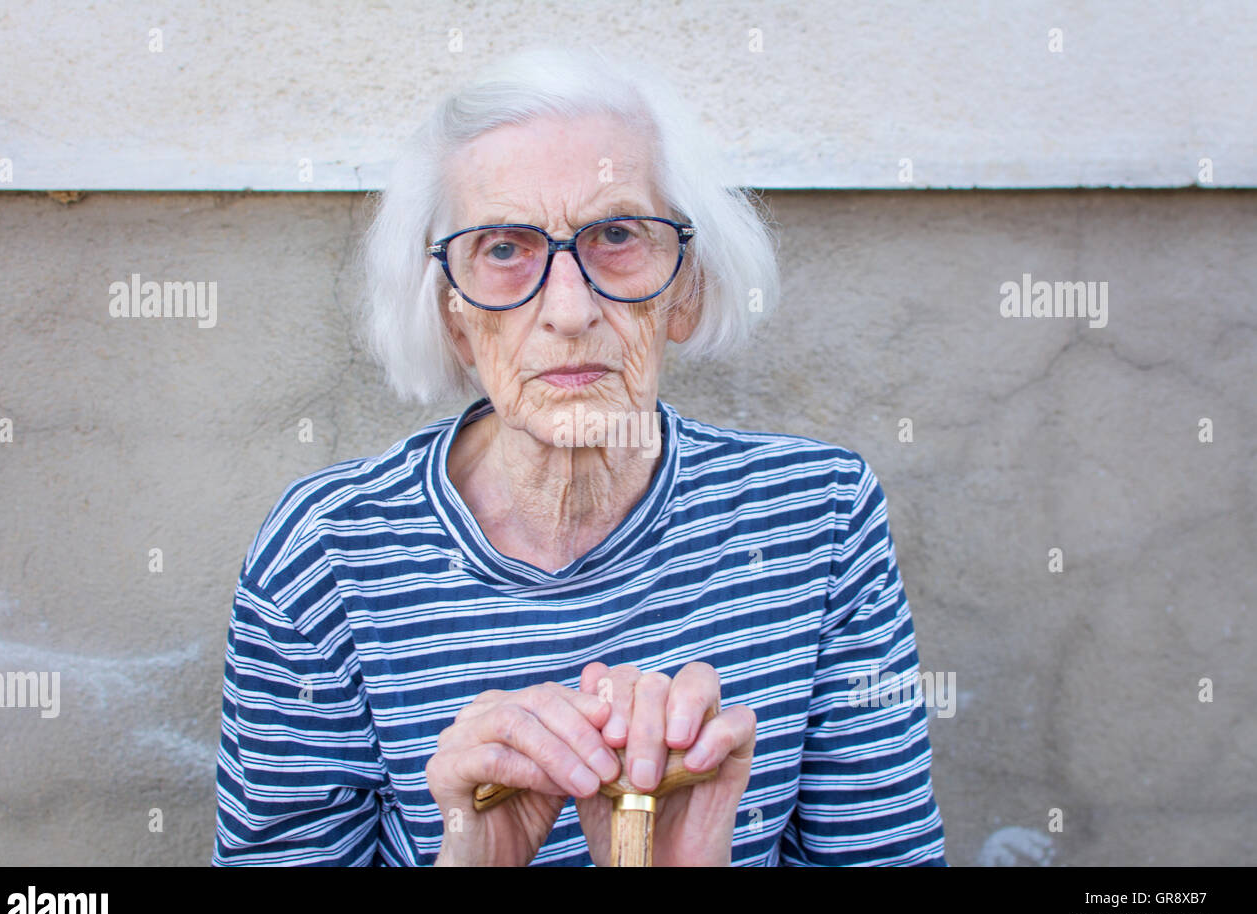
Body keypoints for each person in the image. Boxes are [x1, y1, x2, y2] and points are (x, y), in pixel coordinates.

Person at [212, 45, 947, 866]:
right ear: (453, 315)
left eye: (617, 235)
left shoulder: (818, 517)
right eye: (502, 248)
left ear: (687, 285)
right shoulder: (327, 553)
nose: (568, 309)